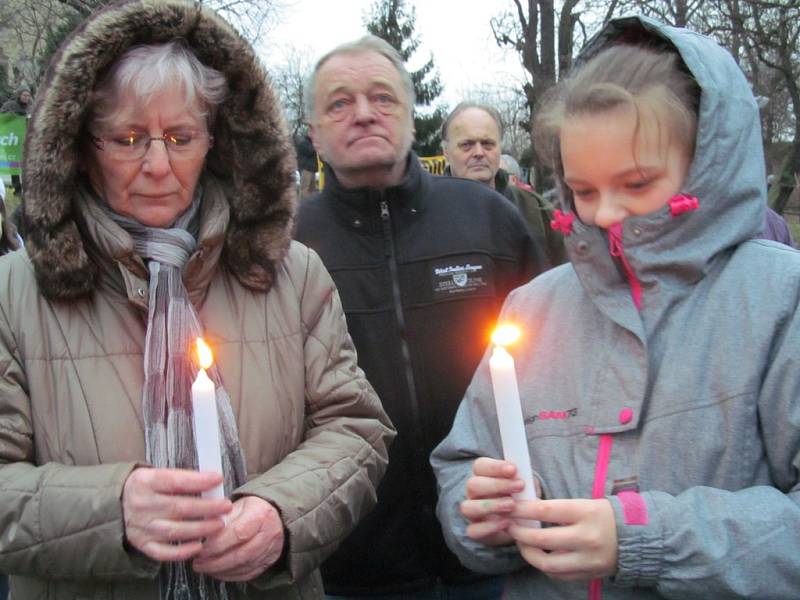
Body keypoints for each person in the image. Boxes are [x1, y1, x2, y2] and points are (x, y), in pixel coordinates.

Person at [0, 2, 395, 599]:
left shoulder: (291, 273)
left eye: (181, 137)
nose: (158, 165)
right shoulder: (13, 292)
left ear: (215, 141)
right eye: (129, 139)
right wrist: (111, 512)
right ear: (82, 145)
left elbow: (355, 427)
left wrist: (278, 515)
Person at [432, 15, 800, 600]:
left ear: (706, 163)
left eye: (636, 183)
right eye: (583, 190)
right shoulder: (534, 305)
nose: (602, 215)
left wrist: (644, 538)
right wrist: (478, 514)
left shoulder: (782, 299)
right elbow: (463, 463)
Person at [295, 35, 547, 599]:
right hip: (352, 566)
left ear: (412, 119)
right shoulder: (287, 244)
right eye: (339, 103)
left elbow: (557, 364)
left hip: (497, 549)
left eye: (382, 97)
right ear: (314, 133)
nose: (363, 113)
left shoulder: (487, 218)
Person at [441, 102, 566, 266]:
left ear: (499, 148)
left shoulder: (537, 211)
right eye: (467, 145)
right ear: (446, 152)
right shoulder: (426, 214)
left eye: (487, 144)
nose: (479, 152)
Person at [295, 128, 319, 198]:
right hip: (306, 170)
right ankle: (303, 206)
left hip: (312, 170)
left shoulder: (312, 143)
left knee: (312, 190)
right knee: (305, 189)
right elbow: (311, 151)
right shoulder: (304, 143)